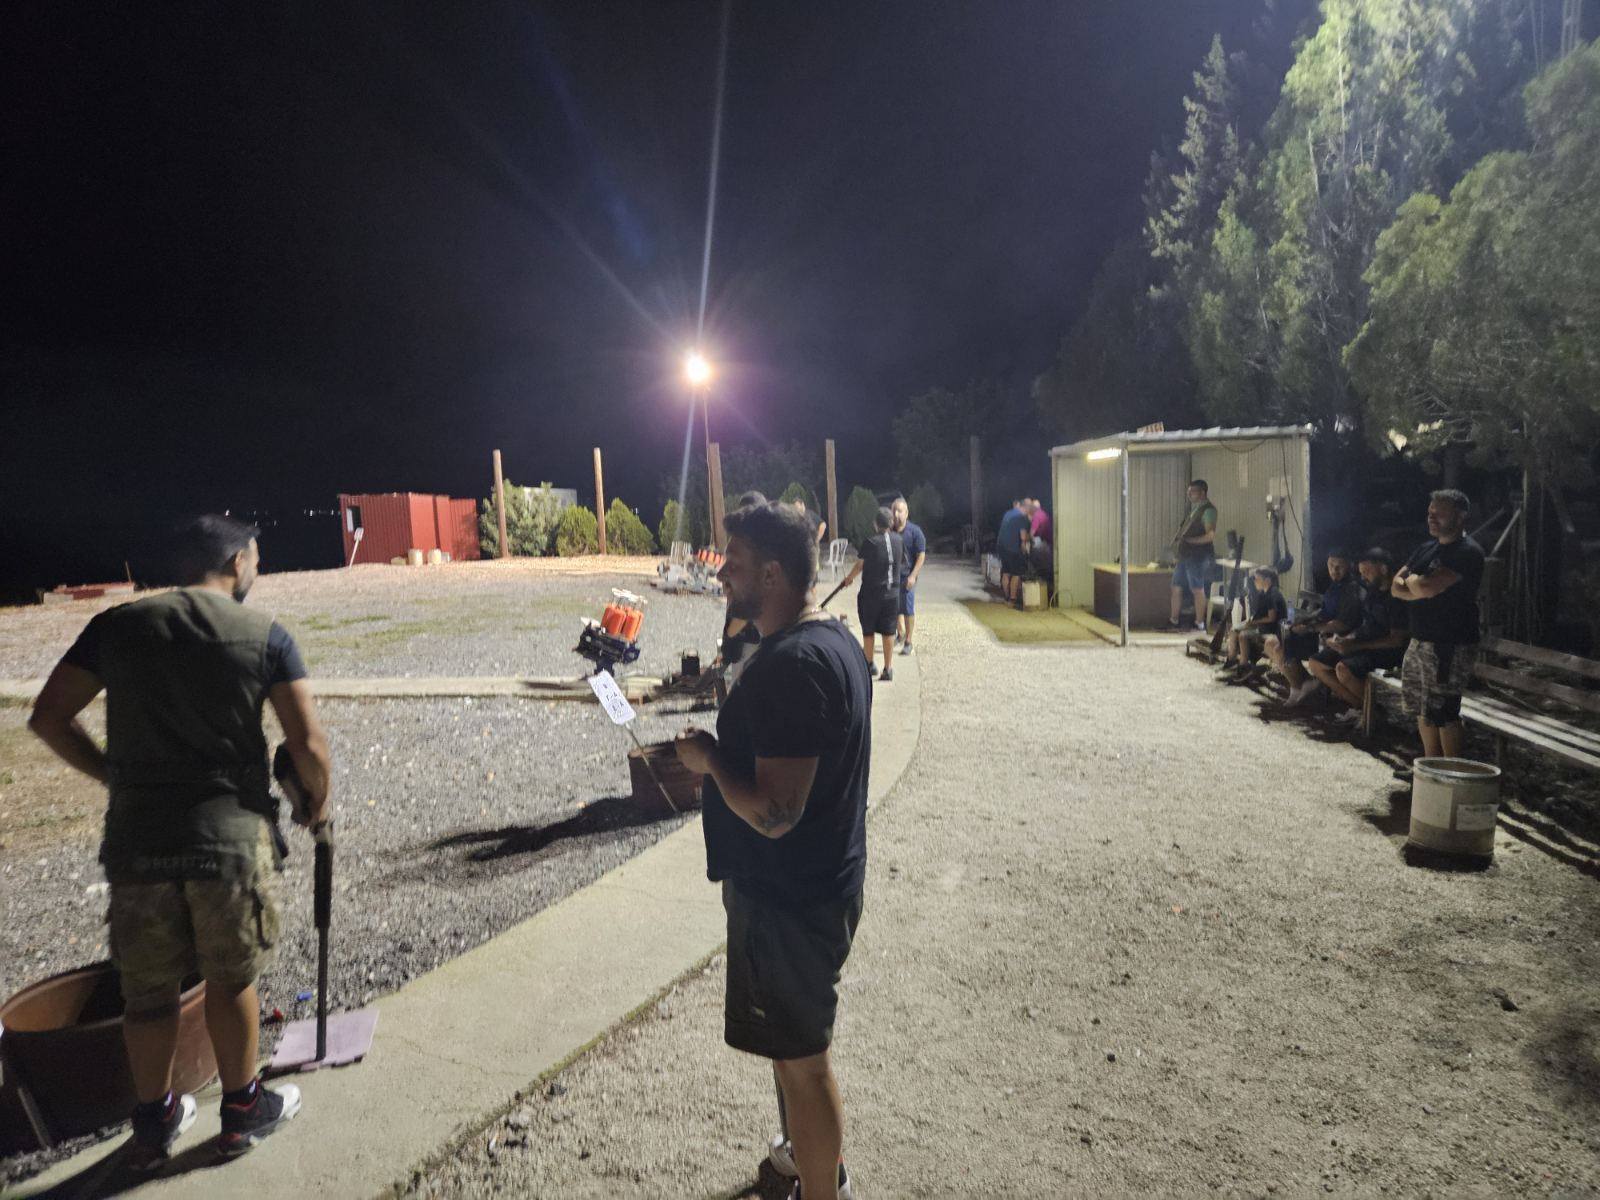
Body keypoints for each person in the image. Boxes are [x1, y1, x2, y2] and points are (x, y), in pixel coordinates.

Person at [27, 515, 330, 1168]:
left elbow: (48, 717)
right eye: (256, 558)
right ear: (238, 560)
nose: (257, 569)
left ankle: (154, 1123)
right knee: (231, 977)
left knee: (147, 992)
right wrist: (318, 804)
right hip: (229, 840)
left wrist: (111, 774)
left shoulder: (116, 627)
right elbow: (307, 743)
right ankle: (242, 1110)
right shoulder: (263, 634)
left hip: (139, 842)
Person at [675, 501, 869, 1200]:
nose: (720, 573)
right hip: (816, 884)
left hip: (792, 900)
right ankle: (804, 1159)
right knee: (791, 1053)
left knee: (803, 1063)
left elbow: (775, 813)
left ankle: (824, 1186)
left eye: (734, 562)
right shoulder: (833, 640)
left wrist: (709, 760)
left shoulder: (795, 665)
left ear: (773, 574)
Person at [1391, 489, 1487, 757]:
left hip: (1449, 645)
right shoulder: (1426, 548)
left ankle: (1452, 772)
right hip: (1419, 640)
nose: (1432, 518)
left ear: (1460, 516)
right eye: (1430, 513)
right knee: (1423, 710)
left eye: (1439, 513)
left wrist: (1415, 583)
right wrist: (1418, 586)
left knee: (1444, 712)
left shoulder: (1467, 552)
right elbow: (1395, 586)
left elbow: (1427, 587)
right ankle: (1429, 766)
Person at [1304, 548, 1410, 725]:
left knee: (1343, 669)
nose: (1363, 577)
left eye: (1367, 571)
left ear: (1383, 569)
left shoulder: (1397, 599)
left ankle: (1375, 712)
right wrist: (1346, 639)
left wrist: (1355, 646)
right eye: (1361, 573)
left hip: (1388, 652)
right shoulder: (1372, 593)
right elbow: (1365, 626)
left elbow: (1397, 640)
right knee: (1316, 663)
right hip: (1364, 645)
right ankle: (1361, 707)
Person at [1266, 549, 1363, 706]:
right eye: (1331, 565)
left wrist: (1310, 628)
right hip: (1323, 636)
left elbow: (1342, 624)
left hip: (1340, 642)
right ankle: (1300, 685)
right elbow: (1324, 612)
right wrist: (1305, 619)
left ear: (1349, 566)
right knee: (1278, 643)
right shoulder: (1334, 586)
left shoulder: (1352, 590)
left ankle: (1305, 686)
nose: (1334, 570)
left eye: (1339, 566)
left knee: (1283, 647)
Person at [842, 506, 904, 683]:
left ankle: (869, 664)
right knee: (889, 631)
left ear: (875, 524)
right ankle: (888, 668)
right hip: (892, 593)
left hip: (871, 594)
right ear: (890, 523)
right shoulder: (899, 540)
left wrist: (849, 579)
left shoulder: (871, 542)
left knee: (868, 629)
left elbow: (860, 565)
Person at [718, 491, 769, 692]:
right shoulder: (743, 545)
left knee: (748, 693)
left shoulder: (760, 550)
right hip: (747, 636)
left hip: (754, 638)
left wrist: (732, 631)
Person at [1218, 566, 1284, 681]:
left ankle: (1243, 665)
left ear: (1267, 580)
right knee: (1234, 630)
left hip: (1271, 628)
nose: (1255, 581)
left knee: (1243, 635)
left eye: (1257, 579)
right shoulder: (1264, 593)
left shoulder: (1272, 595)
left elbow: (1272, 618)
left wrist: (1254, 622)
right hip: (1262, 625)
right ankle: (1232, 659)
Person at [1169, 480, 1218, 632]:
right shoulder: (1195, 509)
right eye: (1188, 492)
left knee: (1197, 589)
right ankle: (1174, 620)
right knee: (1176, 587)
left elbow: (1210, 535)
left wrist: (1191, 541)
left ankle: (1199, 623)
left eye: (1193, 492)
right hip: (1185, 556)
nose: (1189, 495)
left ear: (1202, 492)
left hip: (1198, 556)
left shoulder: (1209, 510)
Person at [890, 496, 926, 655]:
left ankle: (909, 641)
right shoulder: (888, 530)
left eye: (900, 511)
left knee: (907, 609)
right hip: (891, 576)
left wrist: (913, 576)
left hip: (907, 577)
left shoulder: (915, 532)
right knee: (893, 608)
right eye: (894, 511)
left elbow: (921, 556)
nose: (896, 514)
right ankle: (900, 633)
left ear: (906, 513)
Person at [996, 498, 1030, 606]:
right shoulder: (1022, 517)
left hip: (1001, 547)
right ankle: (1012, 600)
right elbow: (1023, 537)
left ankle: (1006, 597)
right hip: (1012, 549)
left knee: (1006, 572)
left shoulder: (1008, 513)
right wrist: (1025, 547)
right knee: (1016, 574)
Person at [1026, 497, 1053, 580]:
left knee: (1035, 559)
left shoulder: (1037, 516)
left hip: (1044, 542)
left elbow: (1032, 533)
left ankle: (1038, 579)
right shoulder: (1042, 513)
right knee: (1046, 564)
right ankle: (1046, 580)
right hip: (1048, 542)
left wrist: (1025, 541)